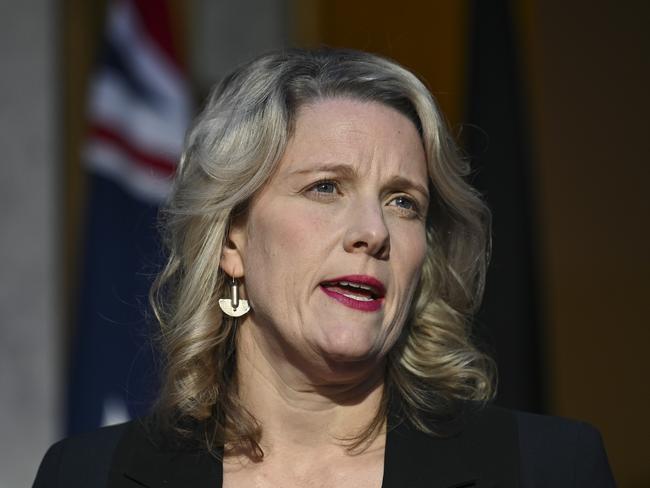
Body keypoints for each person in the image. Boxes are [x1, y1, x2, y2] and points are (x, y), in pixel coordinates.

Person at [33, 48, 615, 487]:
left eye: (403, 201)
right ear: (232, 240)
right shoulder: (87, 475)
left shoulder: (549, 467)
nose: (374, 231)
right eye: (326, 187)